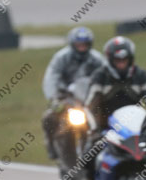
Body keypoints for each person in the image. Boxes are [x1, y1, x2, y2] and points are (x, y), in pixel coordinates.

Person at [83, 36, 146, 180]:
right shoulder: (100, 76)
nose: (121, 62)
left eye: (124, 59)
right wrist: (94, 129)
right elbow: (89, 106)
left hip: (136, 128)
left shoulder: (142, 75)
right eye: (117, 59)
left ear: (131, 59)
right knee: (90, 148)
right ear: (110, 59)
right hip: (106, 127)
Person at [42, 27, 104, 159]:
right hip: (67, 98)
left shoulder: (97, 59)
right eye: (79, 45)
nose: (82, 48)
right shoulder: (61, 58)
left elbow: (106, 76)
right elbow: (51, 78)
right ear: (72, 44)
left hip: (89, 98)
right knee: (49, 118)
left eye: (85, 45)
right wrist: (53, 98)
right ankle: (51, 145)